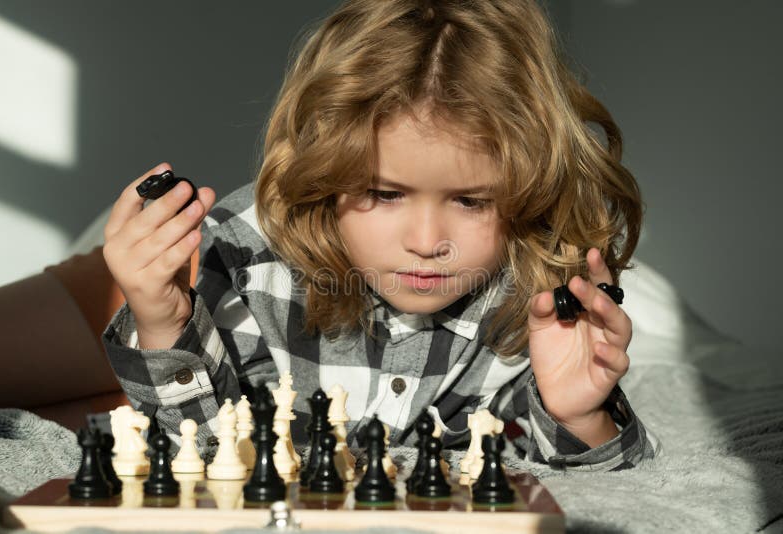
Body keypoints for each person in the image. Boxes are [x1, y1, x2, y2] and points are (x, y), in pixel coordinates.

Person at [101, 0, 658, 470]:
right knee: (23, 360)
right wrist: (162, 321)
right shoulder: (244, 249)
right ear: (326, 168)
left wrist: (579, 417)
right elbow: (206, 454)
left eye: (471, 200)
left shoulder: (533, 300)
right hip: (160, 274)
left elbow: (596, 488)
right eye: (386, 193)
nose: (426, 240)